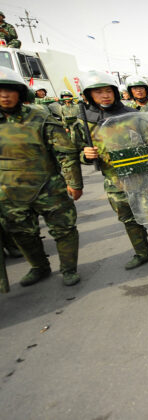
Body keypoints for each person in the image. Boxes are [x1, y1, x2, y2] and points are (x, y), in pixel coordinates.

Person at [73, 70, 148, 268]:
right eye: (98, 92)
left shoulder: (133, 115)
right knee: (129, 219)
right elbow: (77, 152)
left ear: (115, 92)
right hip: (115, 180)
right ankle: (142, 253)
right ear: (89, 96)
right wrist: (86, 155)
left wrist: (144, 150)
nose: (105, 95)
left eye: (108, 90)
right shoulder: (84, 121)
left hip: (144, 176)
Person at [0, 66, 83, 286]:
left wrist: (74, 182)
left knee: (64, 229)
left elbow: (65, 153)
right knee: (22, 234)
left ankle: (68, 269)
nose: (4, 96)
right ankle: (39, 267)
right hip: (10, 192)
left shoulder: (40, 118)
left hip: (49, 187)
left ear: (20, 92)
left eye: (9, 90)